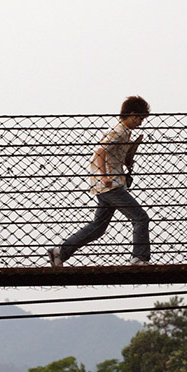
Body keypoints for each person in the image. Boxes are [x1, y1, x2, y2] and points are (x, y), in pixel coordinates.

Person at [48, 96, 151, 266]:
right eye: (140, 118)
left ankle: (60, 252)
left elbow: (114, 155)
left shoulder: (125, 132)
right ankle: (139, 258)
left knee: (98, 228)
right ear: (132, 114)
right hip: (111, 185)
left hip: (108, 185)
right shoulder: (118, 131)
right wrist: (104, 176)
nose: (141, 123)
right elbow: (101, 151)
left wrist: (127, 160)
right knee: (140, 218)